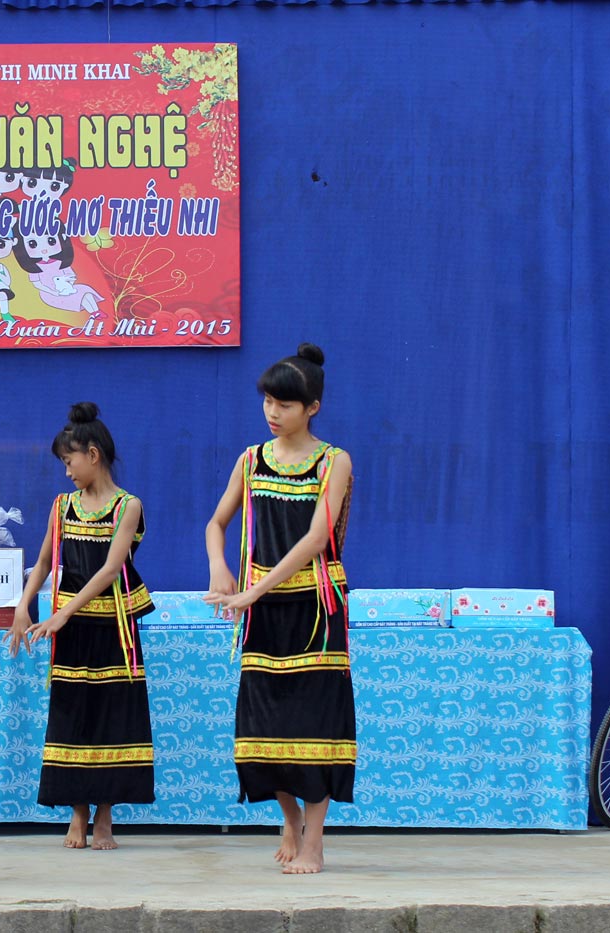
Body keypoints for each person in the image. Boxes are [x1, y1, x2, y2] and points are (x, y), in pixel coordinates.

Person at [203, 342, 355, 875]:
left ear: (312, 407)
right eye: (268, 401)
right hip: (264, 613)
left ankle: (315, 840)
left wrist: (253, 591)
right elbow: (216, 522)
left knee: (316, 723)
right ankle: (289, 819)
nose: (272, 412)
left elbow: (317, 539)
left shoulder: (334, 461)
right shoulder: (251, 459)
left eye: (285, 404)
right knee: (261, 726)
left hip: (315, 608)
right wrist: (219, 566)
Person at [9, 402, 156, 850]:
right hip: (70, 630)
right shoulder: (62, 506)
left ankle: (105, 814)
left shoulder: (128, 506)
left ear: (93, 454)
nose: (67, 471)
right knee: (72, 715)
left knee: (112, 715)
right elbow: (42, 562)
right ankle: (77, 812)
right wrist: (23, 605)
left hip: (114, 628)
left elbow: (111, 569)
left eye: (69, 461)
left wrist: (63, 613)